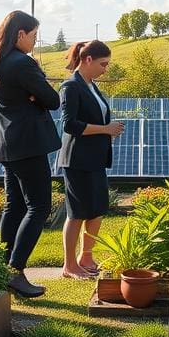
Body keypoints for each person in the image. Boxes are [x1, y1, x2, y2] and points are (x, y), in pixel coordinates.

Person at [0, 10, 61, 298]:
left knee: (15, 206)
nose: (35, 43)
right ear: (20, 34)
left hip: (7, 143)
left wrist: (35, 95)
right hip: (28, 143)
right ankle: (16, 270)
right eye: (34, 36)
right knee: (39, 207)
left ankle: (3, 270)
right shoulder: (22, 63)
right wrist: (38, 95)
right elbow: (53, 100)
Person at [57, 40, 124, 280]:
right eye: (103, 64)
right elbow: (69, 125)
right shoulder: (70, 87)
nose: (105, 69)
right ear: (87, 60)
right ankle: (69, 265)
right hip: (77, 160)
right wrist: (106, 129)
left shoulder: (92, 86)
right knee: (77, 213)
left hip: (95, 159)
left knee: (96, 210)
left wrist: (108, 131)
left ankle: (86, 257)